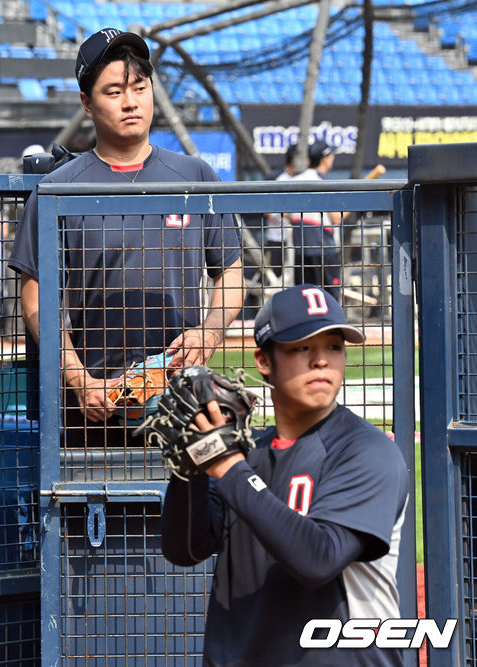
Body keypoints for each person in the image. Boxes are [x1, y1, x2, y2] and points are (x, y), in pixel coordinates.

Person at [8, 27, 244, 446]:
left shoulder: (195, 176)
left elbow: (231, 273)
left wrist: (209, 332)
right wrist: (78, 378)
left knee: (185, 510)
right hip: (91, 406)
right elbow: (34, 293)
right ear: (87, 103)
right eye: (114, 91)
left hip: (180, 399)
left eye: (140, 87)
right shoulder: (58, 188)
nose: (131, 102)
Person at [161, 283, 409, 666]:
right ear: (263, 360)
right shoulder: (247, 457)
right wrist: (187, 471)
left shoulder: (367, 451)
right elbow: (185, 550)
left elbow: (319, 559)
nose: (321, 361)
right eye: (301, 348)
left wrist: (225, 465)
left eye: (333, 347)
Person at [294, 140, 386, 300]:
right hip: (324, 249)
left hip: (300, 251)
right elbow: (336, 217)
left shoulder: (295, 180)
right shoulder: (321, 183)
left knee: (304, 302)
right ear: (325, 158)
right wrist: (355, 201)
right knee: (329, 300)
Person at [263, 143, 304, 279]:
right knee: (275, 279)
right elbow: (267, 212)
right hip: (277, 240)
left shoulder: (301, 180)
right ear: (293, 159)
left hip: (296, 239)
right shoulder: (280, 180)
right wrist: (289, 214)